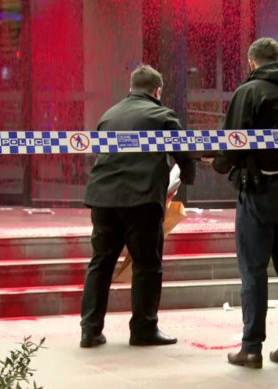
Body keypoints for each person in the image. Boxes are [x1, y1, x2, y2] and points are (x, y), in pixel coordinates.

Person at [207, 37, 278, 368]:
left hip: (259, 189)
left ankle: (252, 347)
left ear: (252, 63)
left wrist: (216, 163)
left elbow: (233, 143)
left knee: (253, 269)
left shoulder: (249, 92)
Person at [80, 65, 195, 348]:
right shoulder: (163, 116)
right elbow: (184, 155)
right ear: (157, 91)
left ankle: (90, 331)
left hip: (103, 199)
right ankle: (143, 329)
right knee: (147, 265)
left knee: (101, 263)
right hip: (141, 201)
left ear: (131, 88)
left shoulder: (109, 114)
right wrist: (188, 177)